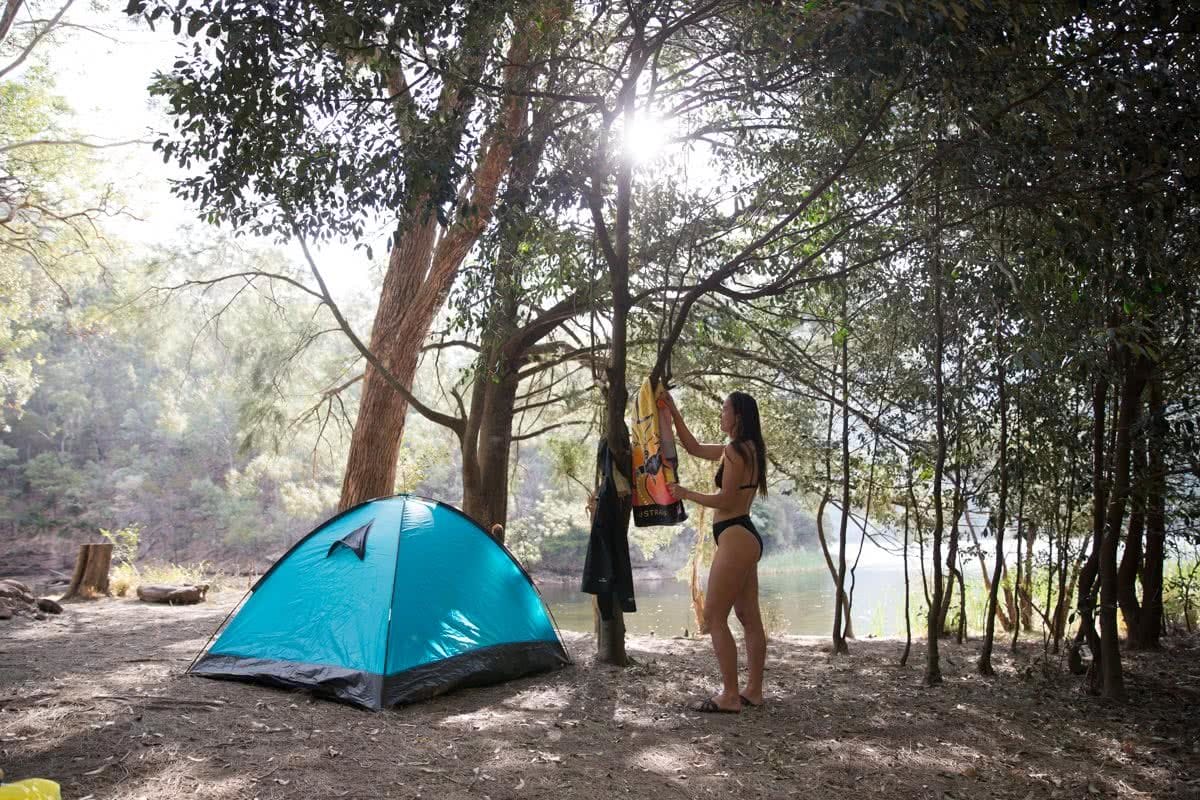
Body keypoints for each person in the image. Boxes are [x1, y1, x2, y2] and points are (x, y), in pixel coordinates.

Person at [665, 390, 768, 713]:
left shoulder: (736, 451)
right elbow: (693, 447)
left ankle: (730, 695)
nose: (720, 415)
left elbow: (725, 500)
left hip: (736, 534)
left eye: (724, 410)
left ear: (738, 416)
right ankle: (753, 690)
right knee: (748, 617)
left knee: (714, 617)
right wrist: (673, 412)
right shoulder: (746, 449)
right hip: (743, 536)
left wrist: (685, 492)